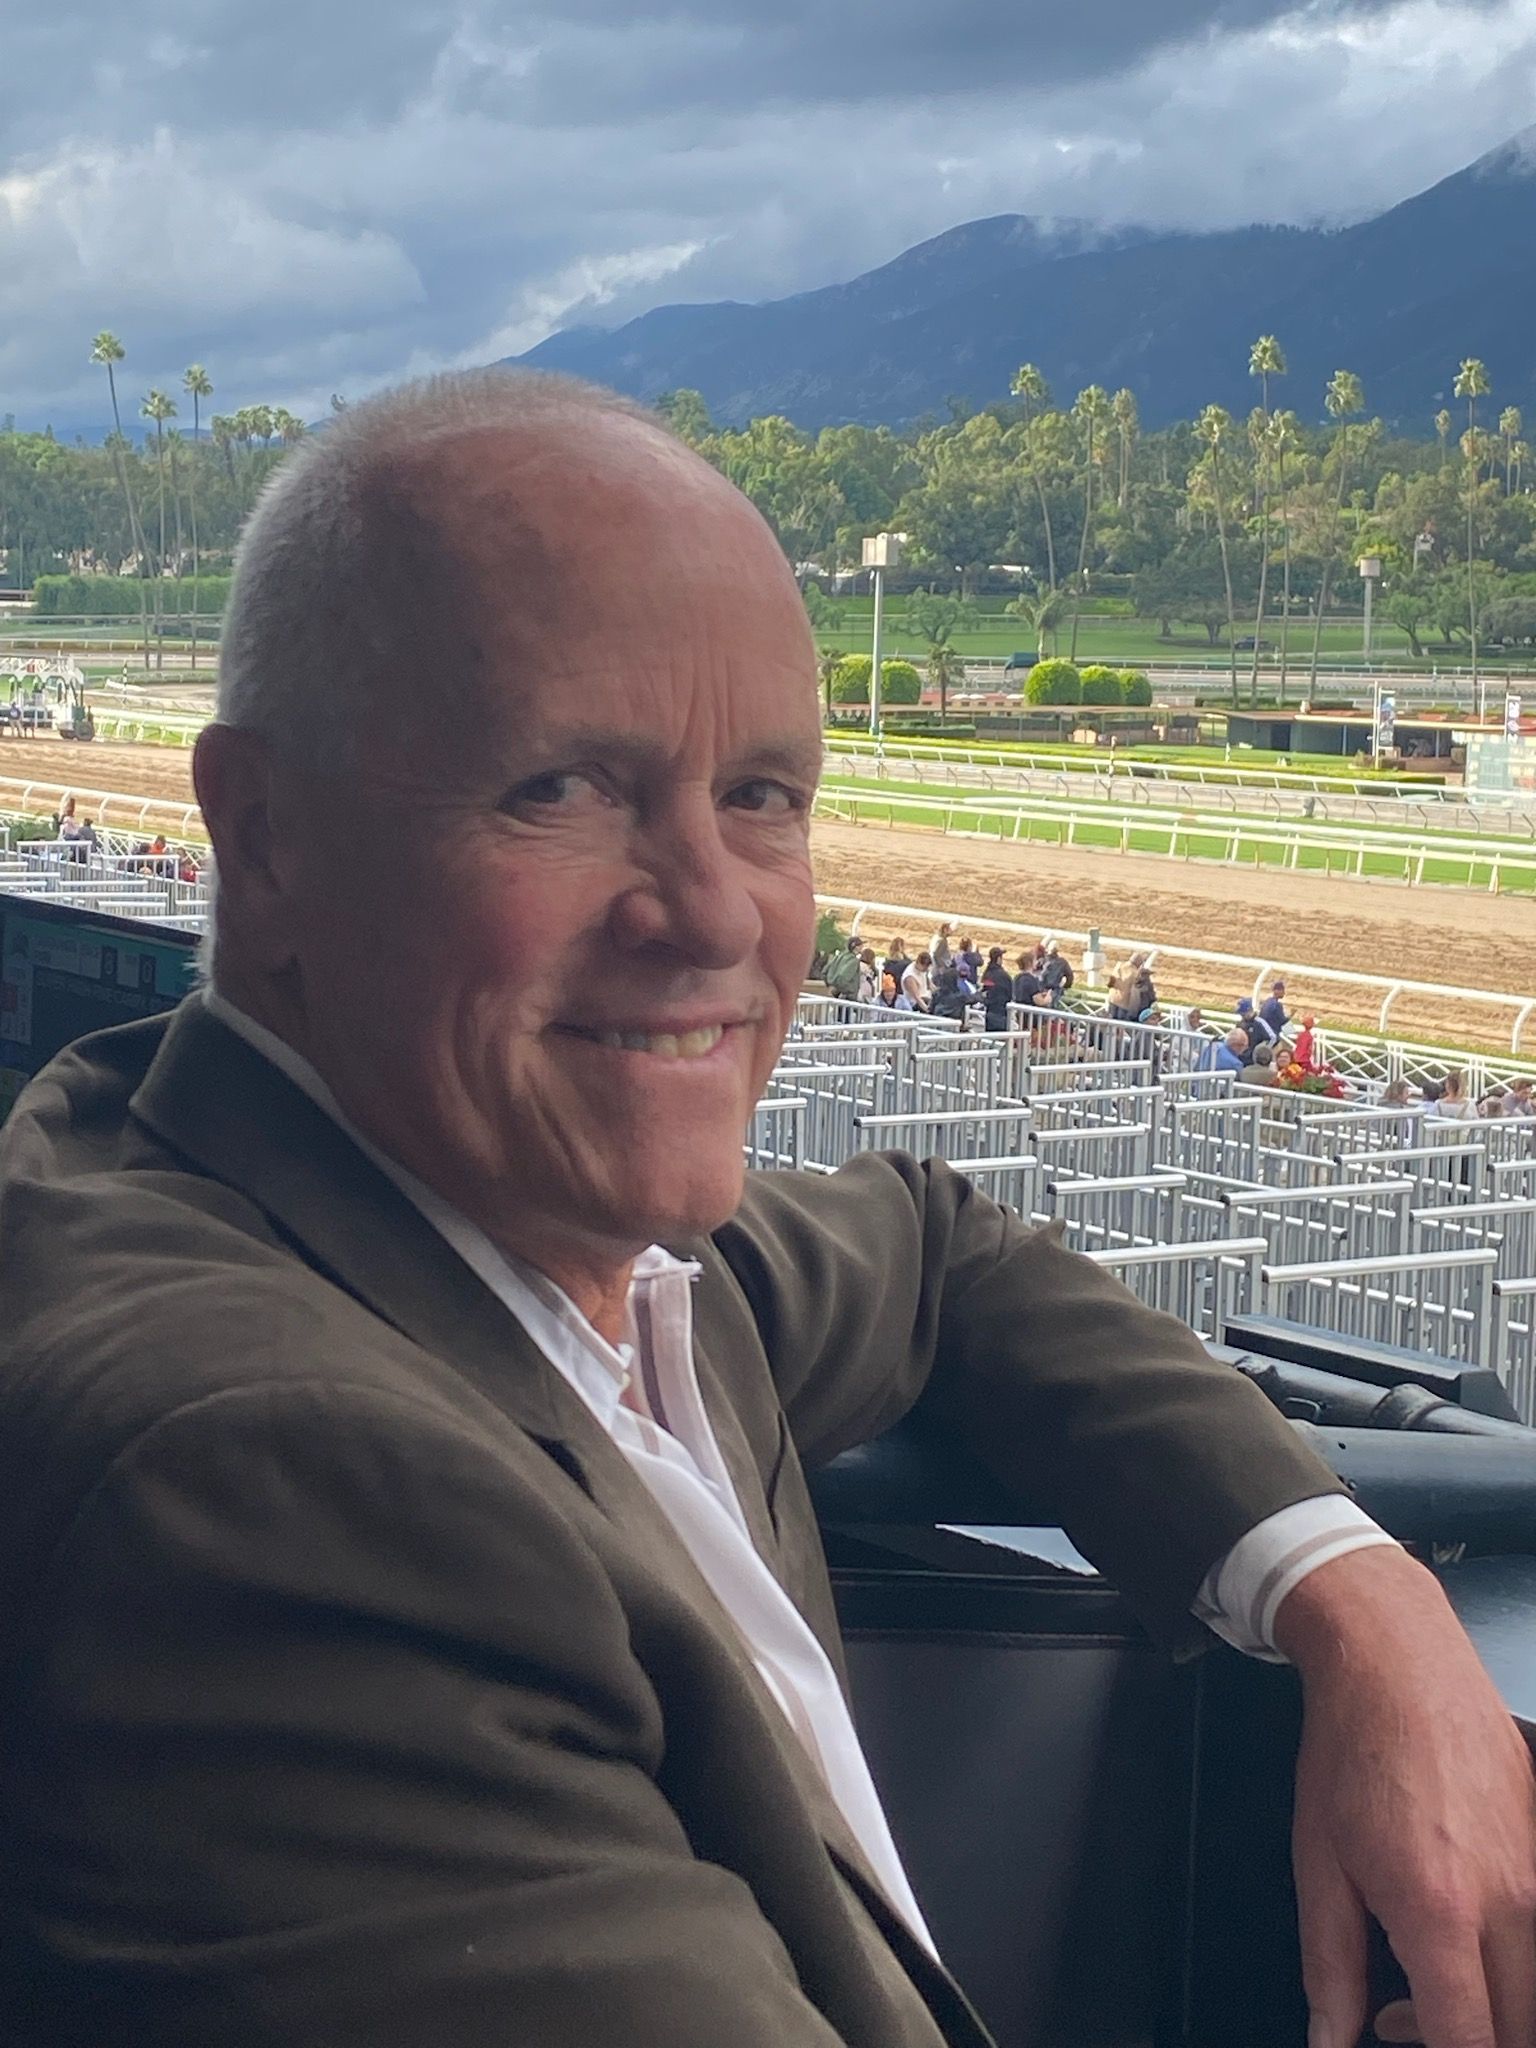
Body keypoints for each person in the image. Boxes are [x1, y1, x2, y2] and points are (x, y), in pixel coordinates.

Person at [0, 371, 1527, 2048]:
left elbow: (934, 1251)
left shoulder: (513, 1229)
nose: (716, 913)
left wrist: (1357, 1592)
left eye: (762, 796)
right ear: (267, 838)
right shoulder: (271, 1488)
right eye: (561, 786)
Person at [979, 946, 1012, 1032]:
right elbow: (1010, 993)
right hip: (1001, 1012)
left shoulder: (987, 974)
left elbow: (984, 990)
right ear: (998, 959)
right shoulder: (1004, 976)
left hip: (989, 1012)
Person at [1040, 940, 1074, 1006]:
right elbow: (1070, 977)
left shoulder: (1042, 959)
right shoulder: (1062, 962)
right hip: (1054, 992)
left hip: (1039, 990)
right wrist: (1065, 987)